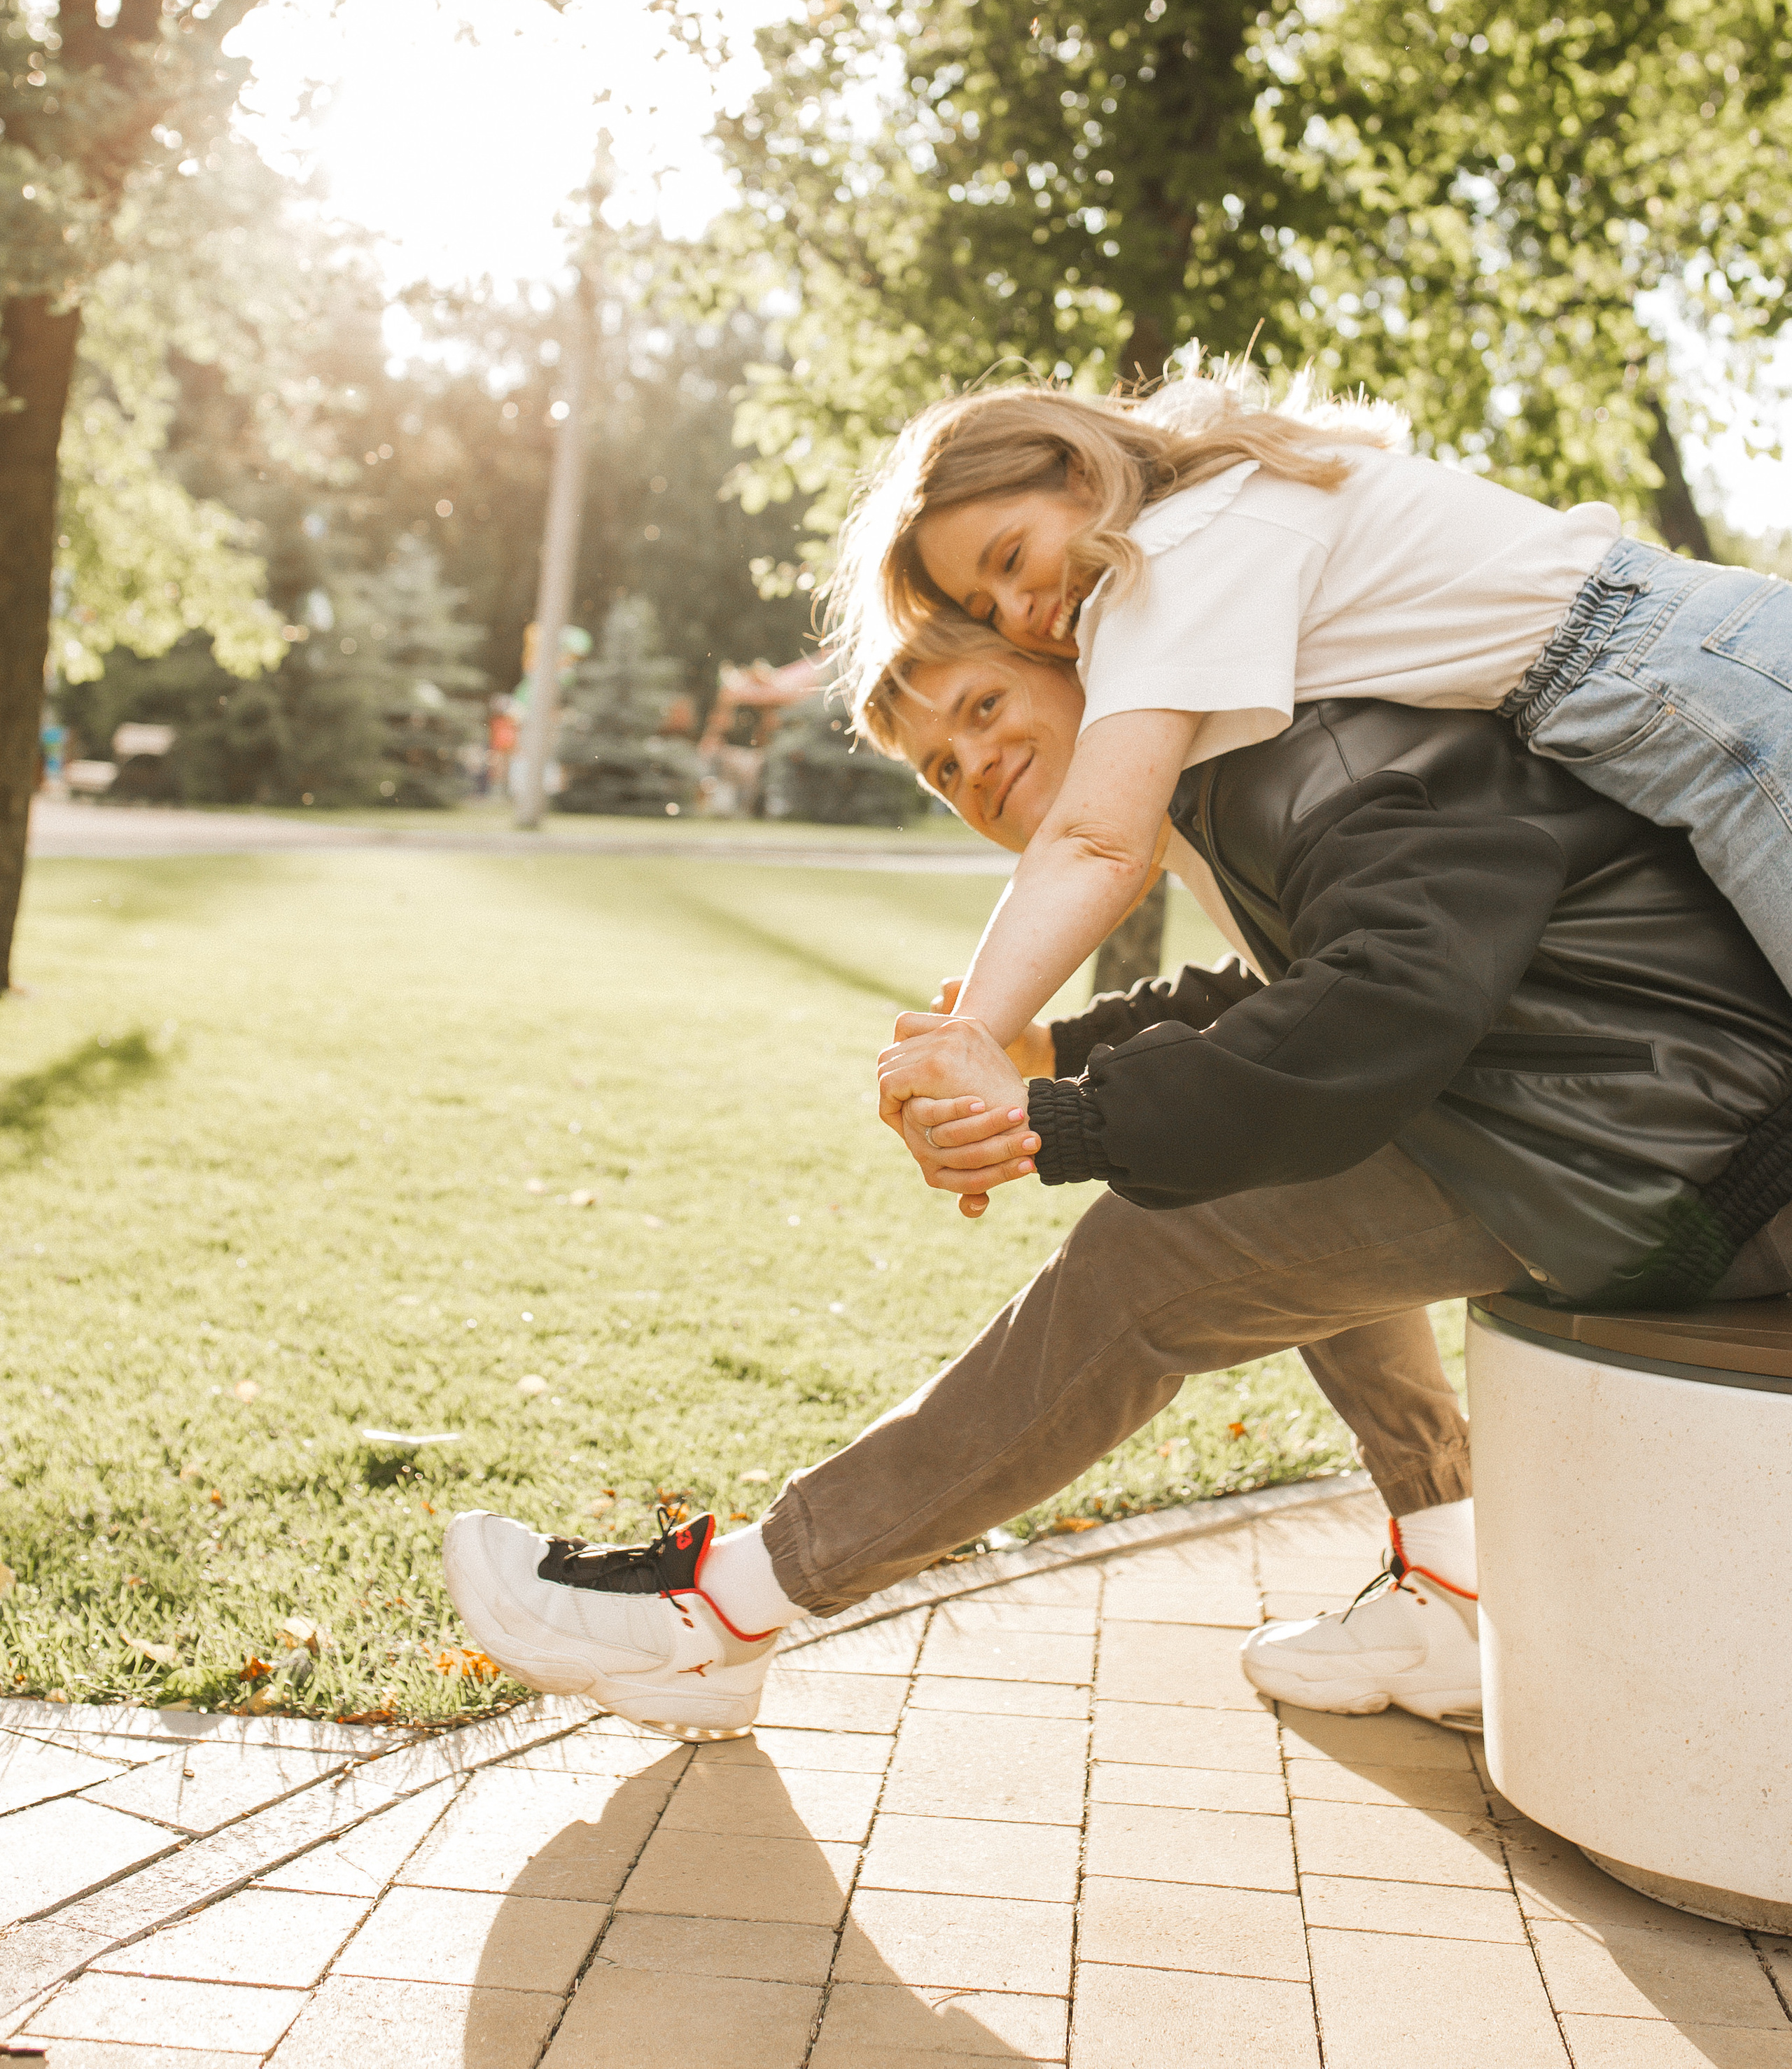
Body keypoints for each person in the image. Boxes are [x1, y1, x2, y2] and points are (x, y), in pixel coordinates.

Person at [442, 628, 1792, 1743]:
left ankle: (724, 1610)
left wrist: (1061, 1116)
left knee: (1167, 1245)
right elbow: (1288, 986)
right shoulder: (1228, 760)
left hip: (1699, 1167)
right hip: (1617, 1126)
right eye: (943, 766)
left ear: (1089, 663)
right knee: (1254, 1158)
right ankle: (1449, 1577)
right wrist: (1045, 1046)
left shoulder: (1308, 744)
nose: (976, 766)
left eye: (987, 707)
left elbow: (1360, 1014)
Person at [822, 365, 1792, 1078]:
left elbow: (1095, 843)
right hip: (1687, 670)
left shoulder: (1169, 559)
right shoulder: (1222, 510)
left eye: (1009, 555)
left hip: (1695, 689)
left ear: (1076, 471)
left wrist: (974, 1033)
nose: (1019, 609)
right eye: (986, 610)